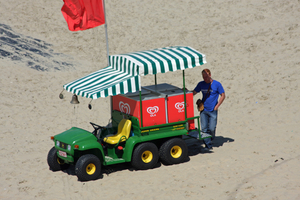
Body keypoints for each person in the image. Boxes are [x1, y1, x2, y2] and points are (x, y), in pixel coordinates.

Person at [193, 69, 225, 150]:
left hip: (213, 110)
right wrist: (186, 92)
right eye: (203, 77)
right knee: (204, 129)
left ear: (210, 75)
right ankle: (208, 146)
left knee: (212, 128)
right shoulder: (201, 84)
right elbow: (193, 92)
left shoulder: (217, 84)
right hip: (203, 109)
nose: (205, 78)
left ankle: (210, 138)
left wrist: (217, 106)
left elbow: (223, 95)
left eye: (206, 76)